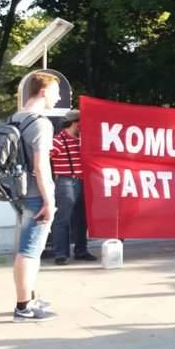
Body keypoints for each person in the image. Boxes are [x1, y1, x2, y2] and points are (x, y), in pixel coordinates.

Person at [10, 72, 61, 321]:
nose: (59, 97)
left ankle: (29, 297)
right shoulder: (40, 123)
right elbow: (42, 166)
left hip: (17, 192)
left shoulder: (15, 118)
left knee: (26, 248)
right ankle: (23, 307)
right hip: (35, 195)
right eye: (55, 92)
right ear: (43, 91)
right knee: (29, 251)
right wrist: (49, 201)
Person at [49, 110, 96, 265]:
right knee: (63, 218)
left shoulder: (82, 139)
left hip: (82, 181)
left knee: (82, 218)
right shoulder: (58, 140)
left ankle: (81, 250)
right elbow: (44, 157)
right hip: (65, 182)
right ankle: (61, 253)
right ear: (76, 122)